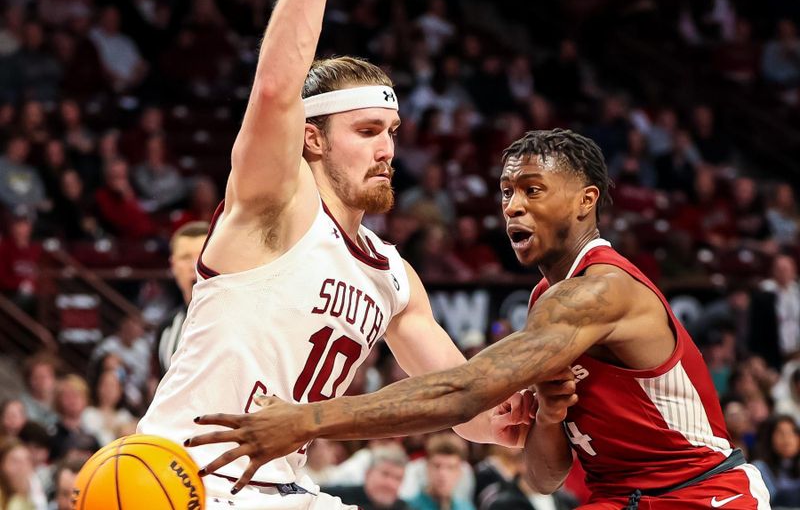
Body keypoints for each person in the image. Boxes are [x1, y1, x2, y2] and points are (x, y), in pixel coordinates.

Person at [139, 0, 525, 508]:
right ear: (312, 139)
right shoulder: (276, 205)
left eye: (392, 131)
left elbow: (467, 411)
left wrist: (519, 410)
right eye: (368, 130)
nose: (387, 148)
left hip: (285, 486)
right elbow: (274, 89)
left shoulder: (393, 275)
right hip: (189, 476)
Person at [190, 129, 771, 509]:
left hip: (703, 494)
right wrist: (548, 413)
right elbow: (544, 477)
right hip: (618, 499)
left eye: (533, 190)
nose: (512, 206)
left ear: (586, 201)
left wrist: (308, 421)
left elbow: (464, 392)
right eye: (505, 192)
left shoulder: (601, 292)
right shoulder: (549, 295)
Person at [153, 221, 209, 377]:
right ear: (173, 265)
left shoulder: (240, 317)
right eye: (185, 258)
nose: (194, 265)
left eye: (203, 255)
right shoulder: (167, 327)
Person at [324, 445, 411, 510]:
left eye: (398, 478)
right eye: (385, 474)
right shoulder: (333, 497)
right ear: (368, 473)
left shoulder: (406, 508)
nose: (390, 483)